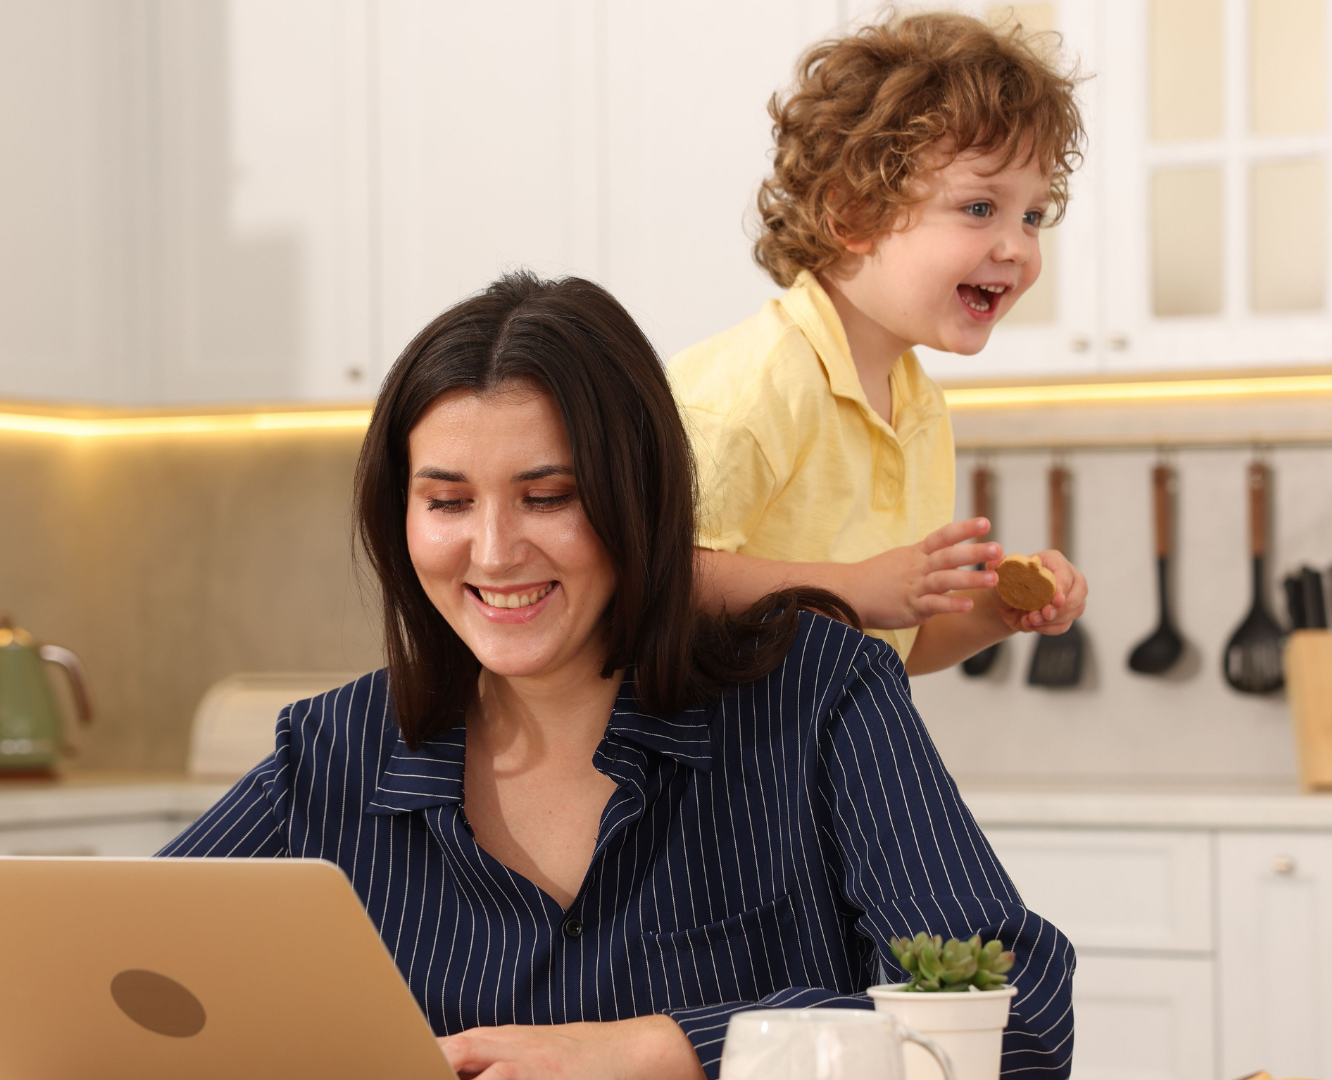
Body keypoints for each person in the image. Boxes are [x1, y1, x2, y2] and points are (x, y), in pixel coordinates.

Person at [159, 273, 1075, 1080]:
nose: (493, 551)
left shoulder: (821, 695)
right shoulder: (330, 753)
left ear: (637, 498)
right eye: (446, 502)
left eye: (548, 498)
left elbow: (1018, 1020)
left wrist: (657, 1051)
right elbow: (106, 984)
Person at [673, 11, 1090, 674]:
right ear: (854, 215)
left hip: (817, 762)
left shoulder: (917, 409)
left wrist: (995, 615)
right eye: (981, 207)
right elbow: (657, 581)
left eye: (1033, 215)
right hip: (717, 768)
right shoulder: (755, 387)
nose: (1016, 248)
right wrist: (855, 588)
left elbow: (897, 646)